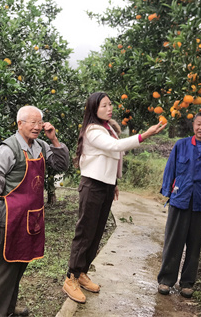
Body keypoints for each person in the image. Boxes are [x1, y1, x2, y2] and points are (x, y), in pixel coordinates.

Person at [62, 91, 167, 304]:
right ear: (94, 109)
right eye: (104, 106)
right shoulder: (92, 130)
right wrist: (144, 135)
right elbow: (115, 147)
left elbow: (112, 158)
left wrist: (114, 182)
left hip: (105, 186)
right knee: (85, 232)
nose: (109, 108)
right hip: (92, 185)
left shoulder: (108, 128)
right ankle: (71, 277)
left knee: (97, 232)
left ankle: (82, 272)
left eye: (110, 104)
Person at [0, 105, 70, 317]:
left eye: (40, 122)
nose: (37, 127)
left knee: (18, 266)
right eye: (33, 122)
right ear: (20, 124)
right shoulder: (8, 149)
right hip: (10, 219)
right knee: (3, 271)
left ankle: (8, 309)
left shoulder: (40, 146)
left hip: (31, 219)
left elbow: (61, 165)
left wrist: (54, 140)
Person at [157, 111, 201, 299]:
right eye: (198, 124)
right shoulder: (181, 145)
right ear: (193, 125)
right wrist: (167, 193)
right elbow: (170, 169)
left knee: (194, 245)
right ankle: (166, 280)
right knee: (173, 242)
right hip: (180, 199)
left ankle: (187, 283)